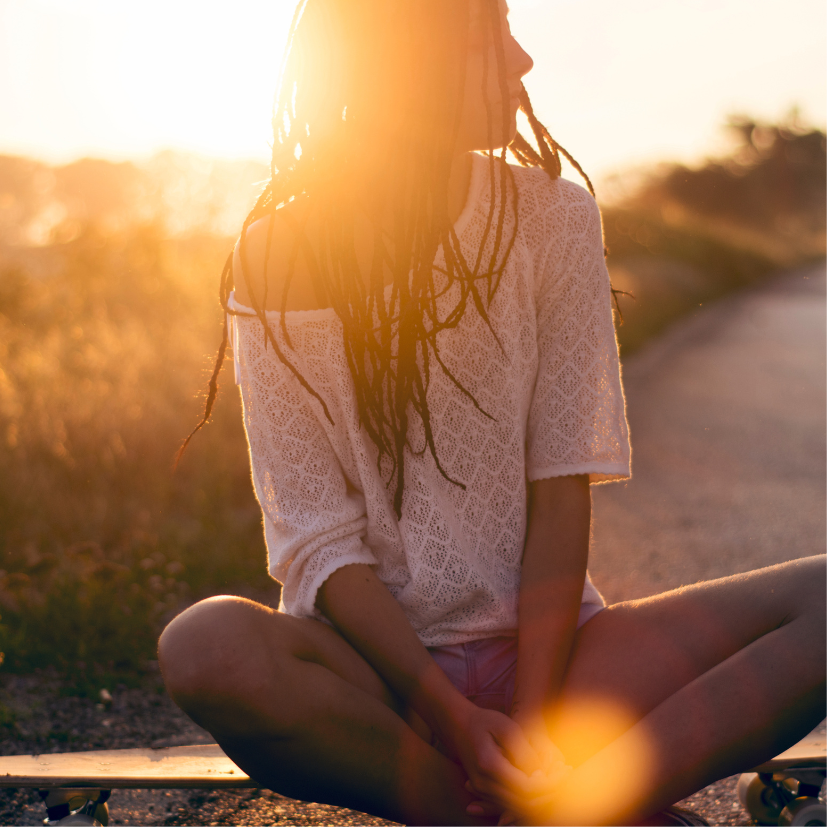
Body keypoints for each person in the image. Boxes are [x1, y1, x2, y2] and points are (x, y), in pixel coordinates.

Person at [158, 1, 826, 824]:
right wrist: (457, 719)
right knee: (205, 642)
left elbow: (558, 483)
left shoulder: (553, 215)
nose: (522, 61)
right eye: (490, 35)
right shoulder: (273, 256)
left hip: (560, 662)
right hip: (384, 680)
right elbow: (316, 540)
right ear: (409, 62)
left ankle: (561, 801)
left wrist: (536, 724)